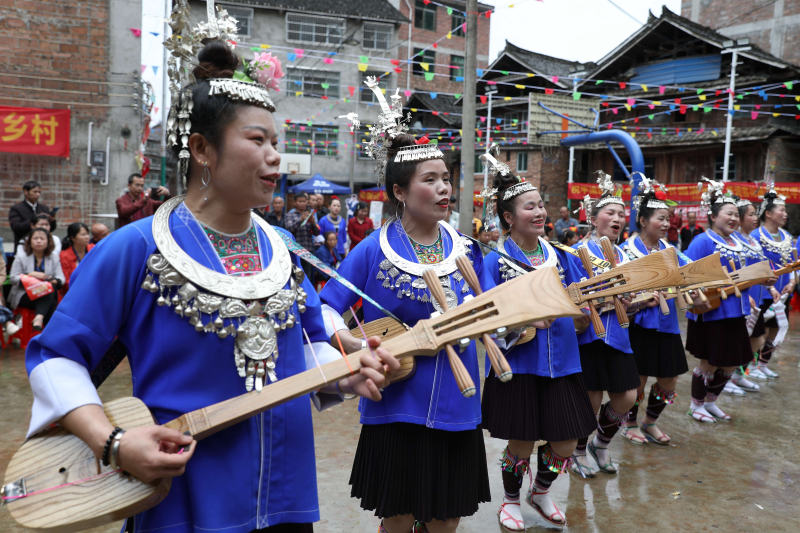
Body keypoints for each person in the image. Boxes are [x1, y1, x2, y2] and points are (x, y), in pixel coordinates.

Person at [23, 37, 396, 533]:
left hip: (286, 494)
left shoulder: (281, 248)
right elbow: (57, 357)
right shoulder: (135, 248)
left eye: (276, 144)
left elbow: (306, 344)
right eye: (258, 141)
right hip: (186, 496)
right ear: (202, 149)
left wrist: (346, 373)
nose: (275, 158)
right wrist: (112, 441)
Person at [319, 127, 491, 532]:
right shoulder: (373, 249)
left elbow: (491, 310)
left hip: (458, 400)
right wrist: (362, 347)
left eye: (446, 178)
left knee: (447, 520)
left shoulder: (469, 248)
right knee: (397, 516)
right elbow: (326, 310)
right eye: (429, 180)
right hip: (398, 402)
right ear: (400, 191)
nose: (443, 188)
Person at [481, 172, 595, 529]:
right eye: (529, 206)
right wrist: (522, 323)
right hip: (521, 364)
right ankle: (511, 500)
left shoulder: (562, 256)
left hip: (563, 362)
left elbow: (581, 302)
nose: (540, 212)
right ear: (509, 218)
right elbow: (485, 317)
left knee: (566, 440)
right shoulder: (494, 262)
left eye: (541, 204)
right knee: (522, 441)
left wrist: (584, 314)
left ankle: (541, 490)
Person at [569, 171, 638, 478]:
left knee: (627, 397)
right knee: (591, 399)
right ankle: (579, 451)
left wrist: (634, 300)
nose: (617, 218)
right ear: (593, 219)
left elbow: (631, 302)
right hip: (590, 338)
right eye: (610, 213)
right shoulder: (576, 252)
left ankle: (602, 442)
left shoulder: (624, 255)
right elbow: (570, 294)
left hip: (620, 336)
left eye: (621, 214)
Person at [620, 180, 696, 446]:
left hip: (667, 324)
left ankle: (650, 421)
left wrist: (696, 286)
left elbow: (690, 272)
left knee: (669, 380)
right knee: (637, 381)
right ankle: (629, 422)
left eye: (668, 219)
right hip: (639, 325)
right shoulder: (625, 251)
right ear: (642, 220)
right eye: (660, 219)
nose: (666, 224)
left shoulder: (671, 251)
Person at [684, 180, 753, 423]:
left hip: (737, 311)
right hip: (712, 312)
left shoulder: (739, 243)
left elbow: (748, 272)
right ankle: (696, 404)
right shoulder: (703, 241)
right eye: (728, 214)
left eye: (736, 214)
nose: (734, 218)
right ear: (713, 216)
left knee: (733, 361)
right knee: (710, 362)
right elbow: (688, 275)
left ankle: (711, 402)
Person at [749, 187, 795, 379]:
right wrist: (770, 285)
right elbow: (756, 264)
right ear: (768, 213)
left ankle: (763, 363)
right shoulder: (756, 236)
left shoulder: (787, 236)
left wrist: (792, 282)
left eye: (785, 211)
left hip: (783, 293)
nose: (785, 214)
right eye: (781, 210)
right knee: (756, 332)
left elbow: (794, 262)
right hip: (762, 292)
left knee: (776, 329)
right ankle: (748, 368)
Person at [729, 198, 774, 394]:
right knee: (740, 341)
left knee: (756, 340)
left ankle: (739, 374)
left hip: (758, 296)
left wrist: (771, 287)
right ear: (739, 218)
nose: (755, 218)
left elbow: (761, 267)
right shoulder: (734, 240)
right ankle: (727, 377)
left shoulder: (753, 240)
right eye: (751, 214)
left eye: (755, 214)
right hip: (742, 298)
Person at [9, 227, 64, 330]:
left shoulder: (53, 257)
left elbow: (61, 277)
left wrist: (49, 278)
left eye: (42, 239)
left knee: (49, 289)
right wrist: (30, 275)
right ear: (30, 241)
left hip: (46, 293)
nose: (39, 241)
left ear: (48, 241)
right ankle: (48, 331)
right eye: (35, 238)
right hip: (24, 294)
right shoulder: (21, 256)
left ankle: (39, 317)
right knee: (51, 294)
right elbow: (13, 277)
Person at [9, 180, 56, 246]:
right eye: (35, 192)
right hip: (24, 244)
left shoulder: (44, 208)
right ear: (26, 192)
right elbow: (16, 227)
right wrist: (34, 220)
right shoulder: (16, 208)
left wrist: (52, 220)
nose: (38, 194)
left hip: (43, 245)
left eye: (39, 192)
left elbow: (51, 228)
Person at [59, 222, 94, 293]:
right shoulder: (64, 255)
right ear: (72, 238)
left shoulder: (93, 249)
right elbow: (66, 281)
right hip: (73, 290)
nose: (87, 237)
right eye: (83, 235)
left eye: (87, 234)